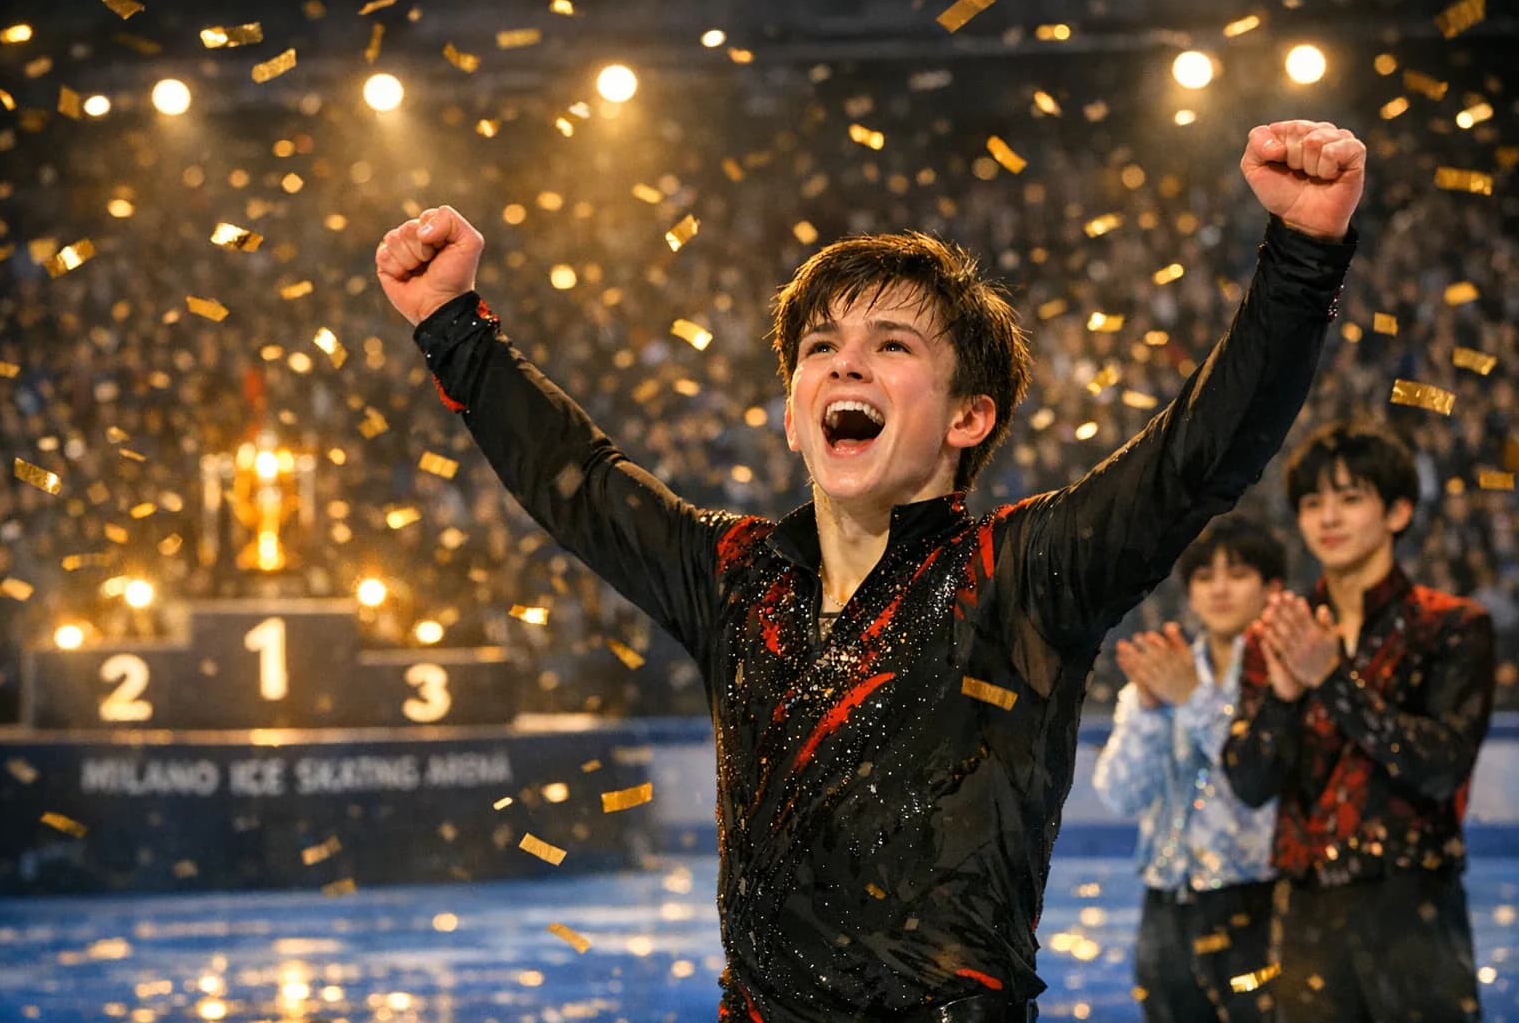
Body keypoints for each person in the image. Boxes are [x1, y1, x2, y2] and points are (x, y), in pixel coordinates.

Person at [376, 120, 1364, 1022]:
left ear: (968, 418)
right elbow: (580, 482)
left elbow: (1198, 457)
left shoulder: (1020, 574)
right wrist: (452, 323)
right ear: (794, 411)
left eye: (892, 345)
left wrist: (1302, 255)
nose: (846, 364)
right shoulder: (735, 580)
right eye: (821, 348)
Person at [1223, 421, 1494, 1022]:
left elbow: (1442, 768)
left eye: (1350, 498)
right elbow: (1248, 783)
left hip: (1412, 910)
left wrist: (1333, 682)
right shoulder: (1278, 633)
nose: (1329, 518)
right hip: (1302, 914)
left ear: (1397, 511)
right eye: (1313, 503)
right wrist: (1284, 699)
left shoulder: (1451, 627)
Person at [1093, 515, 1288, 1022]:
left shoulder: (1290, 674)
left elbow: (1265, 783)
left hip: (1258, 906)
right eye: (1205, 576)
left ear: (1273, 588)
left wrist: (1195, 701)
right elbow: (1118, 794)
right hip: (1166, 908)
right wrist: (1152, 712)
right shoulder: (1166, 667)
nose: (1219, 588)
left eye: (1238, 573)